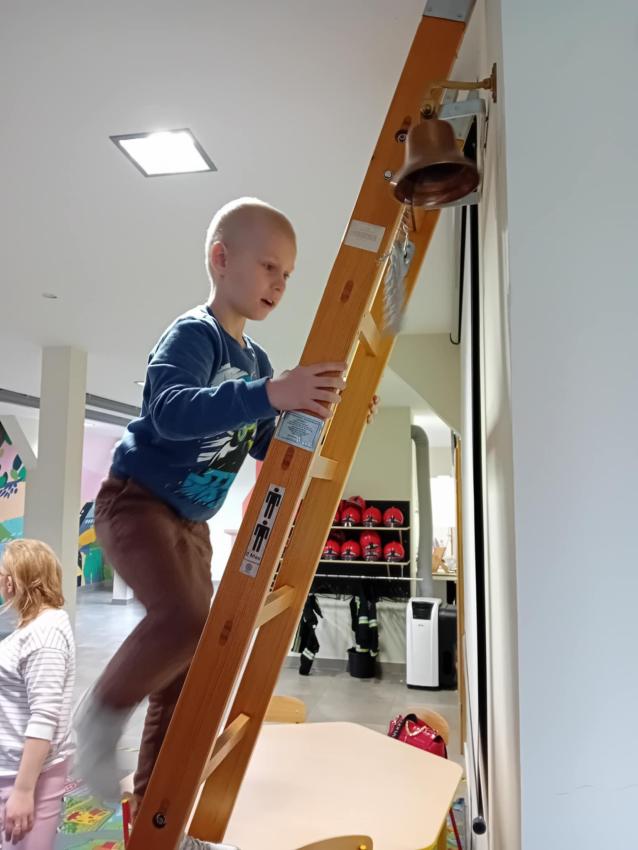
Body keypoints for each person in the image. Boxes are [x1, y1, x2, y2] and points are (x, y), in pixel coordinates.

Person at [75, 197, 358, 850]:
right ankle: (101, 713)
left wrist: (316, 414)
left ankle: (161, 806)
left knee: (189, 659)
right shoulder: (193, 335)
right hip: (137, 503)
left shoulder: (257, 364)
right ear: (221, 259)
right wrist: (271, 395)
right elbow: (171, 411)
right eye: (269, 267)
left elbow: (264, 446)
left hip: (191, 522)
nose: (280, 284)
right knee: (184, 619)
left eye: (288, 274)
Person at [0, 539, 75, 849]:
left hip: (23, 776)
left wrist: (23, 791)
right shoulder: (37, 626)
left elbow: (44, 718)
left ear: (11, 582)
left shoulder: (44, 636)